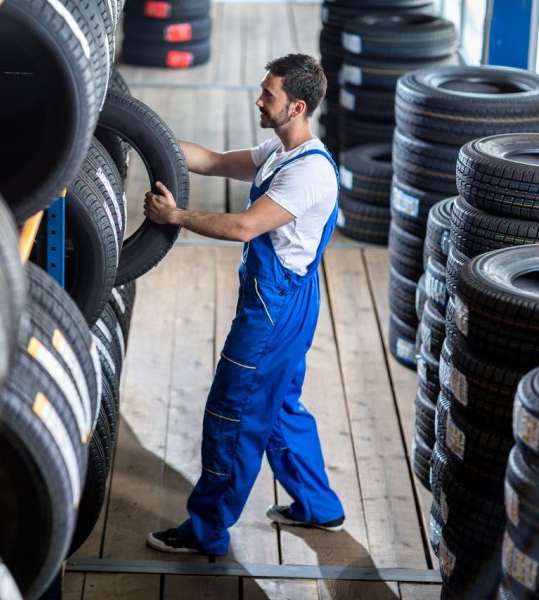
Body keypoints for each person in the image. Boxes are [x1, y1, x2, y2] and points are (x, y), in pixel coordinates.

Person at [143, 53, 345, 557]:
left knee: (233, 412)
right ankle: (320, 507)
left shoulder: (309, 173)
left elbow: (243, 227)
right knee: (277, 406)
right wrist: (143, 137)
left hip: (274, 309)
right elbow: (209, 160)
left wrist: (176, 216)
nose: (259, 99)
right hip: (287, 299)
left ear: (296, 106)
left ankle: (206, 530)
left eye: (269, 95)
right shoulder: (279, 151)